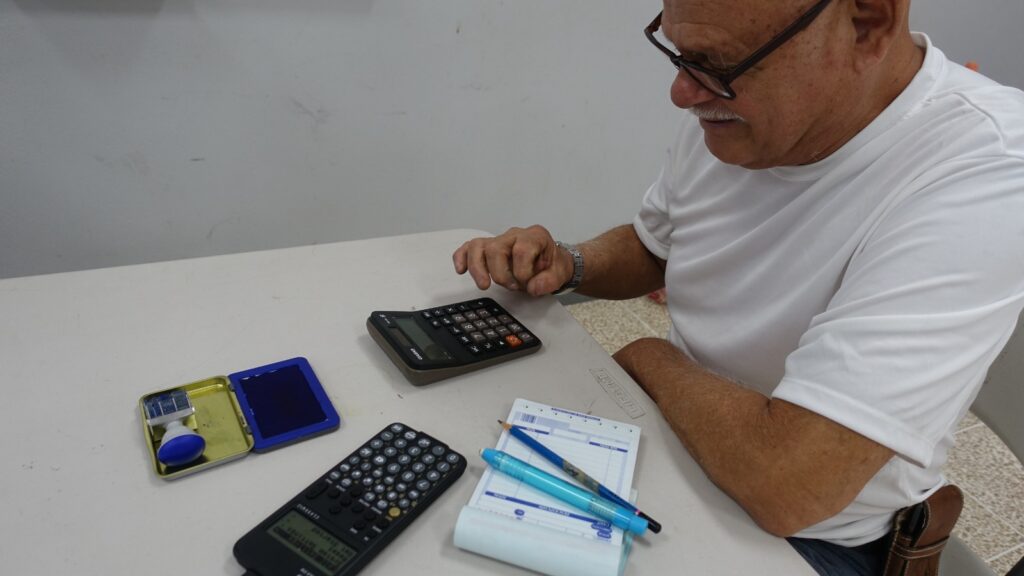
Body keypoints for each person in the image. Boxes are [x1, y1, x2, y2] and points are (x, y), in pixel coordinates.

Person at [452, 0, 1024, 574]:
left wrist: (650, 358)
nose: (682, 93)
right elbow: (658, 246)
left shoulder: (987, 169)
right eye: (681, 55)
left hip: (812, 537)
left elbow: (789, 485)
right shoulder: (735, 110)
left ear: (868, 23)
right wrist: (570, 263)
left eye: (719, 64)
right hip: (678, 434)